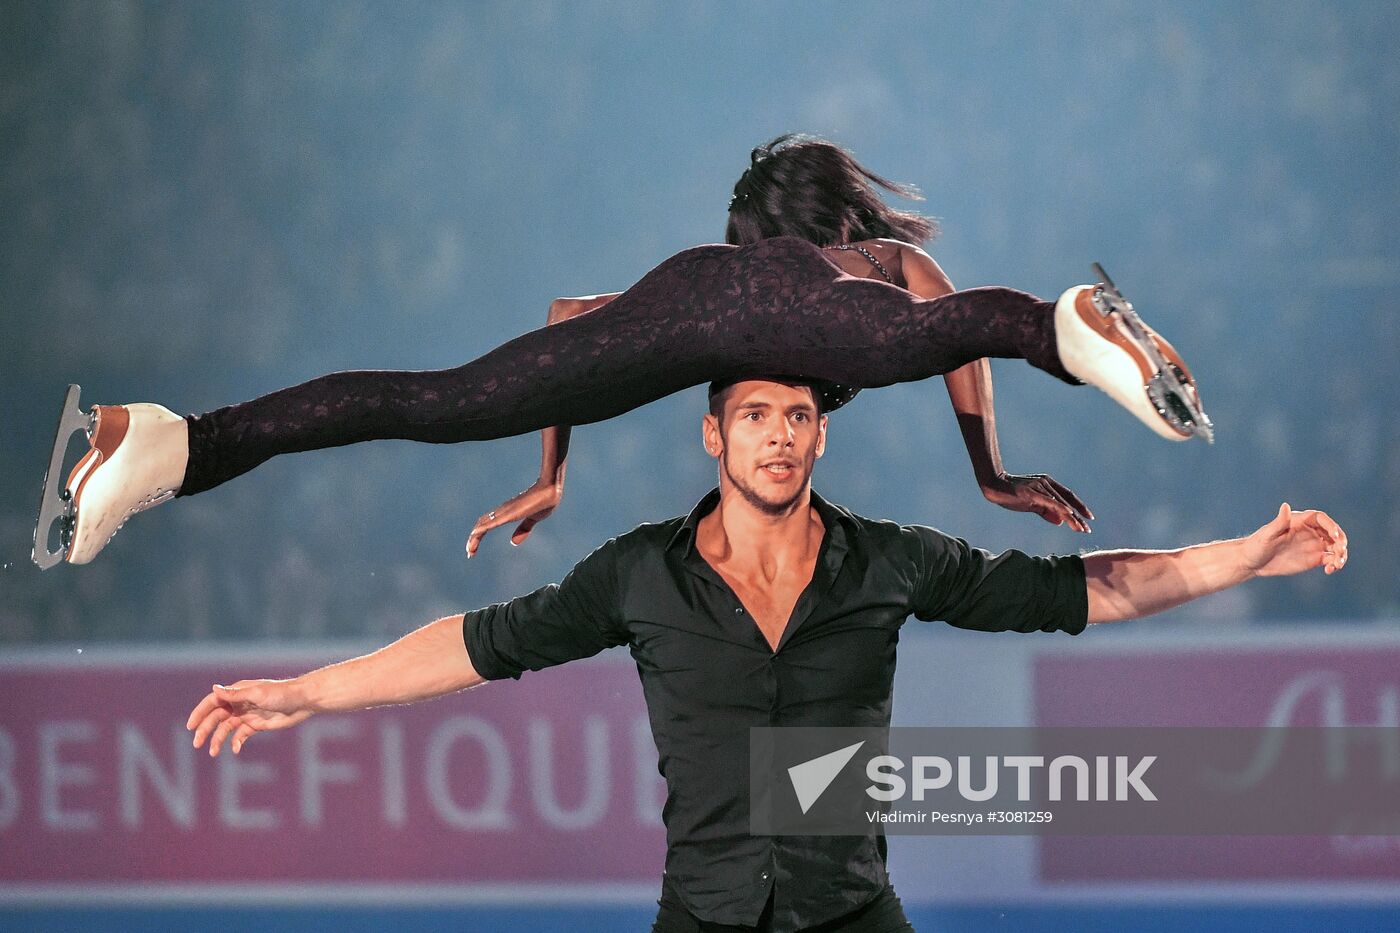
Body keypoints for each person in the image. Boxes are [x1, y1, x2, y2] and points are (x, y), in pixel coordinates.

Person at [187, 378, 1342, 933]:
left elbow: (1076, 593)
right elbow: (476, 646)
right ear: (713, 433)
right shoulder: (637, 575)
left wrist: (1244, 555)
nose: (778, 434)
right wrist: (303, 693)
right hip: (701, 915)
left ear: (820, 433)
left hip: (853, 913)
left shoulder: (890, 561)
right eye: (753, 414)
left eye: (796, 414)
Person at [39, 138, 1211, 569]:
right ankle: (1073, 320)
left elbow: (562, 314)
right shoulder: (868, 268)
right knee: (941, 332)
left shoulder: (714, 266)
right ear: (840, 217)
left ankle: (170, 442)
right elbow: (947, 343)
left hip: (665, 311)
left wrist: (554, 466)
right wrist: (985, 475)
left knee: (432, 403)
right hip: (779, 317)